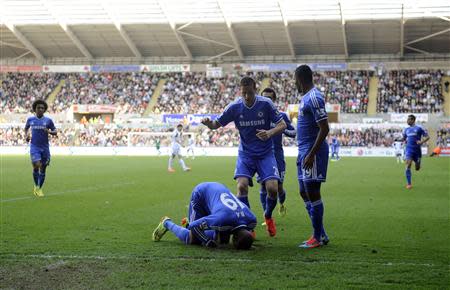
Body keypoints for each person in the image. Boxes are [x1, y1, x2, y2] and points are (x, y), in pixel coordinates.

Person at [201, 77, 287, 237]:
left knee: (273, 189)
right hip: (246, 154)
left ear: (255, 89)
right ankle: (247, 226)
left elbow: (283, 125)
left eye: (250, 93)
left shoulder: (266, 104)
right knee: (241, 186)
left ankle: (268, 216)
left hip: (265, 154)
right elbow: (215, 125)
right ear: (240, 92)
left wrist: (269, 133)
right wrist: (208, 123)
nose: (247, 96)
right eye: (244, 93)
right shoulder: (234, 107)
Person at [152, 182, 256, 250]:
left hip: (218, 191)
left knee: (222, 238)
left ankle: (199, 221)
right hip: (201, 193)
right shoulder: (221, 219)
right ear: (235, 237)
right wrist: (207, 241)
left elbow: (245, 231)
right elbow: (194, 226)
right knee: (193, 239)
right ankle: (166, 223)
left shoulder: (252, 219)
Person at [295, 65, 330, 249]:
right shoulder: (305, 98)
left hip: (312, 153)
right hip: (303, 152)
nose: (294, 84)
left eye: (295, 80)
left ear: (300, 79)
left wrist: (311, 154)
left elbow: (324, 128)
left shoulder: (315, 97)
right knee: (303, 191)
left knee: (313, 192)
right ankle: (321, 233)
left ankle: (316, 237)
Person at [258, 87, 296, 221]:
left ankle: (281, 203)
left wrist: (282, 128)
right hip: (262, 156)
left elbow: (294, 133)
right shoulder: (257, 116)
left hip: (278, 157)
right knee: (263, 185)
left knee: (279, 187)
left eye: (270, 98)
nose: (267, 100)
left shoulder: (281, 116)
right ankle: (266, 215)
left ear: (274, 100)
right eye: (264, 97)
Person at [24, 100, 57, 197]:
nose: (40, 109)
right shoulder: (30, 119)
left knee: (43, 168)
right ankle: (36, 186)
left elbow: (55, 131)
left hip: (45, 148)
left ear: (44, 110)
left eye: (42, 108)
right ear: (35, 109)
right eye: (38, 107)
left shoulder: (48, 120)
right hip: (34, 146)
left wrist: (49, 132)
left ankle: (38, 188)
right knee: (36, 165)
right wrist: (27, 135)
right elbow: (26, 128)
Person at [403, 115, 429, 189]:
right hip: (409, 149)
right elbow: (404, 139)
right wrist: (402, 141)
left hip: (417, 150)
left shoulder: (419, 128)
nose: (407, 121)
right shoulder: (406, 130)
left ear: (413, 120)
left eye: (408, 120)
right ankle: (409, 184)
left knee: (417, 168)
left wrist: (421, 142)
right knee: (408, 165)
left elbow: (427, 137)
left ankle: (417, 163)